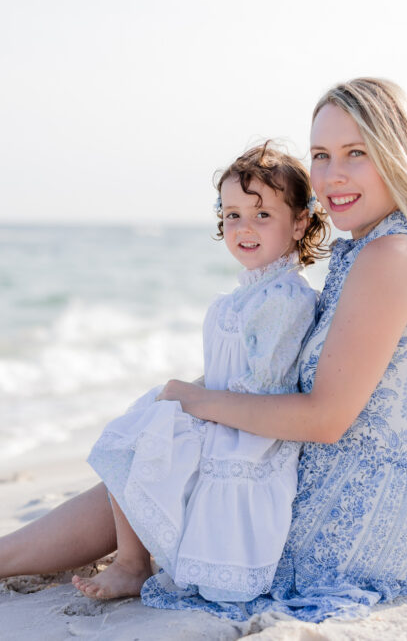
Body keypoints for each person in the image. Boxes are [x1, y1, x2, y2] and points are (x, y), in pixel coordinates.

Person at [0, 77, 407, 624]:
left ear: (399, 156)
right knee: (176, 441)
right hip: (387, 494)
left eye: (356, 154)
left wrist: (198, 399)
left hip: (366, 523)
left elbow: (325, 419)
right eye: (322, 155)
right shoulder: (379, 246)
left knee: (175, 442)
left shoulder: (391, 256)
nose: (331, 176)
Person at [72, 143, 329, 601]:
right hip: (227, 410)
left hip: (251, 434)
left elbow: (265, 389)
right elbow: (223, 371)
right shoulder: (246, 294)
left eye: (262, 215)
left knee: (149, 433)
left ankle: (132, 563)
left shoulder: (285, 299)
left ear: (299, 223)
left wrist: (191, 406)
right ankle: (131, 561)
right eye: (232, 215)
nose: (243, 228)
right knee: (137, 423)